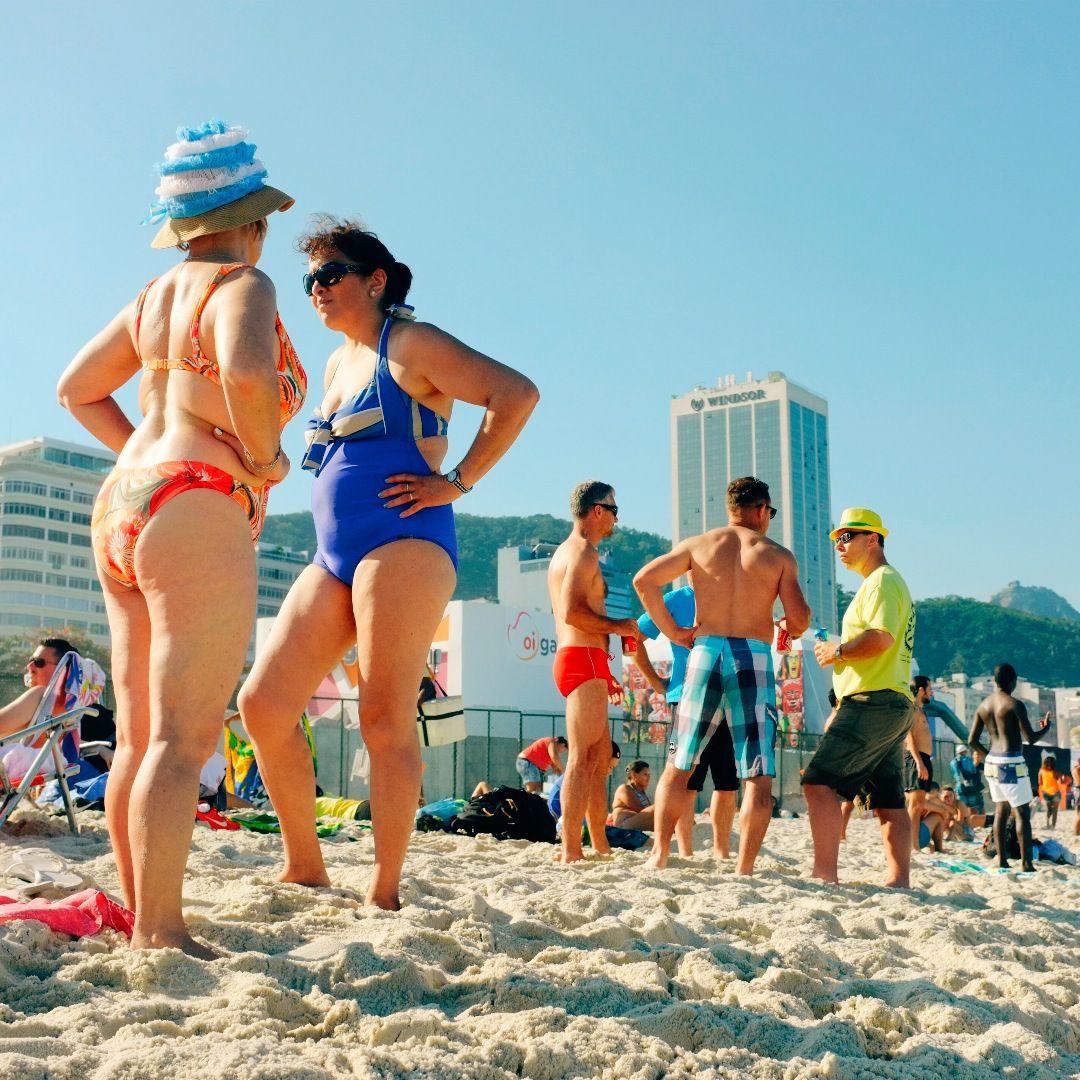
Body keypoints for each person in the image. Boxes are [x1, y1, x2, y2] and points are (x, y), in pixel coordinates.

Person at [237, 217, 538, 909]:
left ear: (376, 280)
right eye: (309, 280)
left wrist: (458, 482)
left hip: (404, 542)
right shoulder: (337, 363)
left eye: (329, 274)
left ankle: (385, 888)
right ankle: (305, 865)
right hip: (334, 554)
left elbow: (516, 393)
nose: (316, 288)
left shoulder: (410, 342)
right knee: (263, 704)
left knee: (382, 715)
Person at [56, 121, 305, 957]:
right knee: (181, 737)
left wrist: (144, 449)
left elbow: (75, 389)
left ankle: (143, 914)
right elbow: (248, 371)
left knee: (137, 738)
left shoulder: (152, 297)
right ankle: (162, 929)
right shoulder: (244, 283)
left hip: (125, 501)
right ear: (252, 220)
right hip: (196, 501)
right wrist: (263, 459)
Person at [635, 476, 811, 875]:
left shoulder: (699, 545)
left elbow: (643, 581)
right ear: (762, 510)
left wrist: (673, 632)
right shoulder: (777, 555)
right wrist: (792, 625)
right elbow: (799, 619)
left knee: (679, 762)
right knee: (757, 773)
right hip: (752, 654)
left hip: (705, 651)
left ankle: (660, 855)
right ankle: (744, 868)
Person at [803, 508, 916, 888]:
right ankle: (899, 880)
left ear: (873, 539)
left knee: (818, 783)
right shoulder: (882, 582)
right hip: (893, 701)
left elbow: (880, 639)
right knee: (889, 800)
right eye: (837, 539)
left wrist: (837, 652)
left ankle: (825, 874)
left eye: (846, 537)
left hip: (873, 701)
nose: (839, 546)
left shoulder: (882, 582)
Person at [547, 481, 640, 863]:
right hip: (582, 656)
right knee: (582, 757)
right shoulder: (583, 552)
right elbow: (572, 612)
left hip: (586, 658)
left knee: (599, 758)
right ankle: (571, 849)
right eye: (614, 510)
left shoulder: (568, 552)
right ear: (597, 510)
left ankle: (599, 842)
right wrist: (619, 625)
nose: (617, 518)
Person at [636, 586, 737, 857]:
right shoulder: (677, 598)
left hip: (730, 695)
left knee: (727, 782)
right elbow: (632, 638)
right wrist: (655, 681)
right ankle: (685, 852)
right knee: (685, 780)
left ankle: (722, 853)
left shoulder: (735, 590)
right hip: (686, 696)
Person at [968, 662, 1053, 872]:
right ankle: (1026, 864)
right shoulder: (1015, 704)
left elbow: (972, 740)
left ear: (995, 681)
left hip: (992, 762)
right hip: (1011, 762)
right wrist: (1046, 728)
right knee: (1022, 812)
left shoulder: (983, 705)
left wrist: (989, 756)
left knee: (1001, 810)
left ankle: (1002, 860)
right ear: (1013, 681)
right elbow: (1031, 738)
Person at [0, 639, 77, 780]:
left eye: (39, 662)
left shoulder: (41, 694)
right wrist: (101, 749)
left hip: (9, 771)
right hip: (35, 772)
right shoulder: (72, 710)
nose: (29, 666)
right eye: (31, 660)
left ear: (62, 671)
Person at [904, 676, 935, 852]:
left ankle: (913, 843)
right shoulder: (912, 709)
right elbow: (909, 739)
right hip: (916, 758)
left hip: (924, 758)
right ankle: (911, 845)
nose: (932, 692)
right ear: (921, 690)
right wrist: (919, 762)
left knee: (918, 805)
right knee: (914, 805)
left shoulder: (921, 711)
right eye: (930, 689)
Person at [610, 759, 655, 830]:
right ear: (634, 775)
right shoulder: (624, 789)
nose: (648, 777)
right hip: (623, 825)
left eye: (649, 774)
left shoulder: (641, 792)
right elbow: (640, 809)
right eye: (645, 774)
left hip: (634, 823)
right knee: (660, 806)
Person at [949, 744, 984, 814]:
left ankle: (962, 820)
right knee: (975, 808)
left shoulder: (952, 762)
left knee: (961, 809)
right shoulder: (969, 760)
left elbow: (954, 775)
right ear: (965, 751)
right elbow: (973, 773)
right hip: (971, 788)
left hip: (960, 789)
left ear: (957, 752)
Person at [1037, 754, 1061, 829]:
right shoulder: (1054, 771)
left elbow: (1040, 783)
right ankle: (1052, 825)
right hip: (1055, 792)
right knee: (1054, 810)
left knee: (1049, 810)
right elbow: (1060, 780)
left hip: (1047, 792)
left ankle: (1049, 825)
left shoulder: (1041, 771)